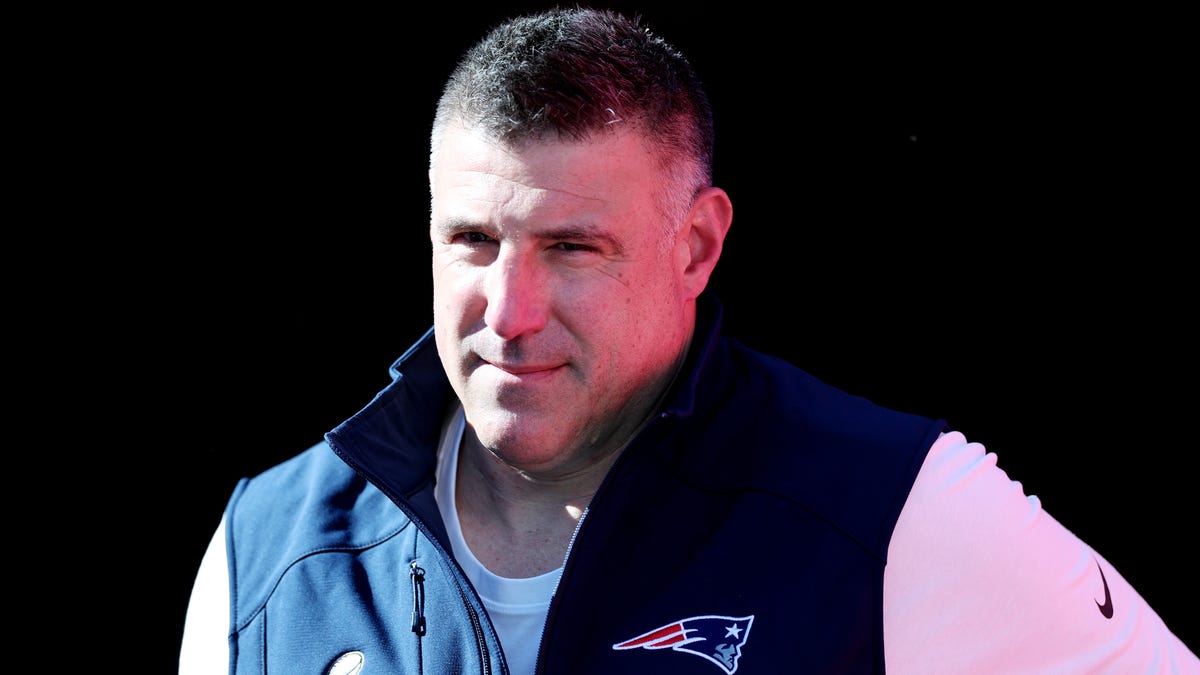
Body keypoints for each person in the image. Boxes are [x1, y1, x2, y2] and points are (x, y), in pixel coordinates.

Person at [179, 6, 1198, 674]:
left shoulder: (895, 514)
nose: (511, 307)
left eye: (574, 248)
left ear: (698, 245)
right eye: (474, 241)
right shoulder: (272, 550)